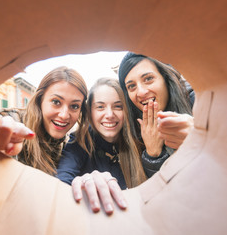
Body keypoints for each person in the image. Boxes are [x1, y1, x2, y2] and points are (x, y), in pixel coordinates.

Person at [71, 52, 195, 213]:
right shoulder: (137, 127)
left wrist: (201, 136)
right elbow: (159, 194)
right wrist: (153, 154)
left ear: (165, 77)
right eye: (131, 86)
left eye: (148, 78)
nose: (141, 92)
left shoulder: (197, 101)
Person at [0, 66, 90, 175]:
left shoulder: (70, 148)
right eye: (56, 102)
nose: (64, 115)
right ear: (39, 100)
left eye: (74, 106)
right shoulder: (15, 122)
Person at [57, 78, 147, 191]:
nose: (109, 115)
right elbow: (61, 181)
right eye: (100, 107)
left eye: (118, 106)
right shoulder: (80, 141)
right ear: (90, 112)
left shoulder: (140, 139)